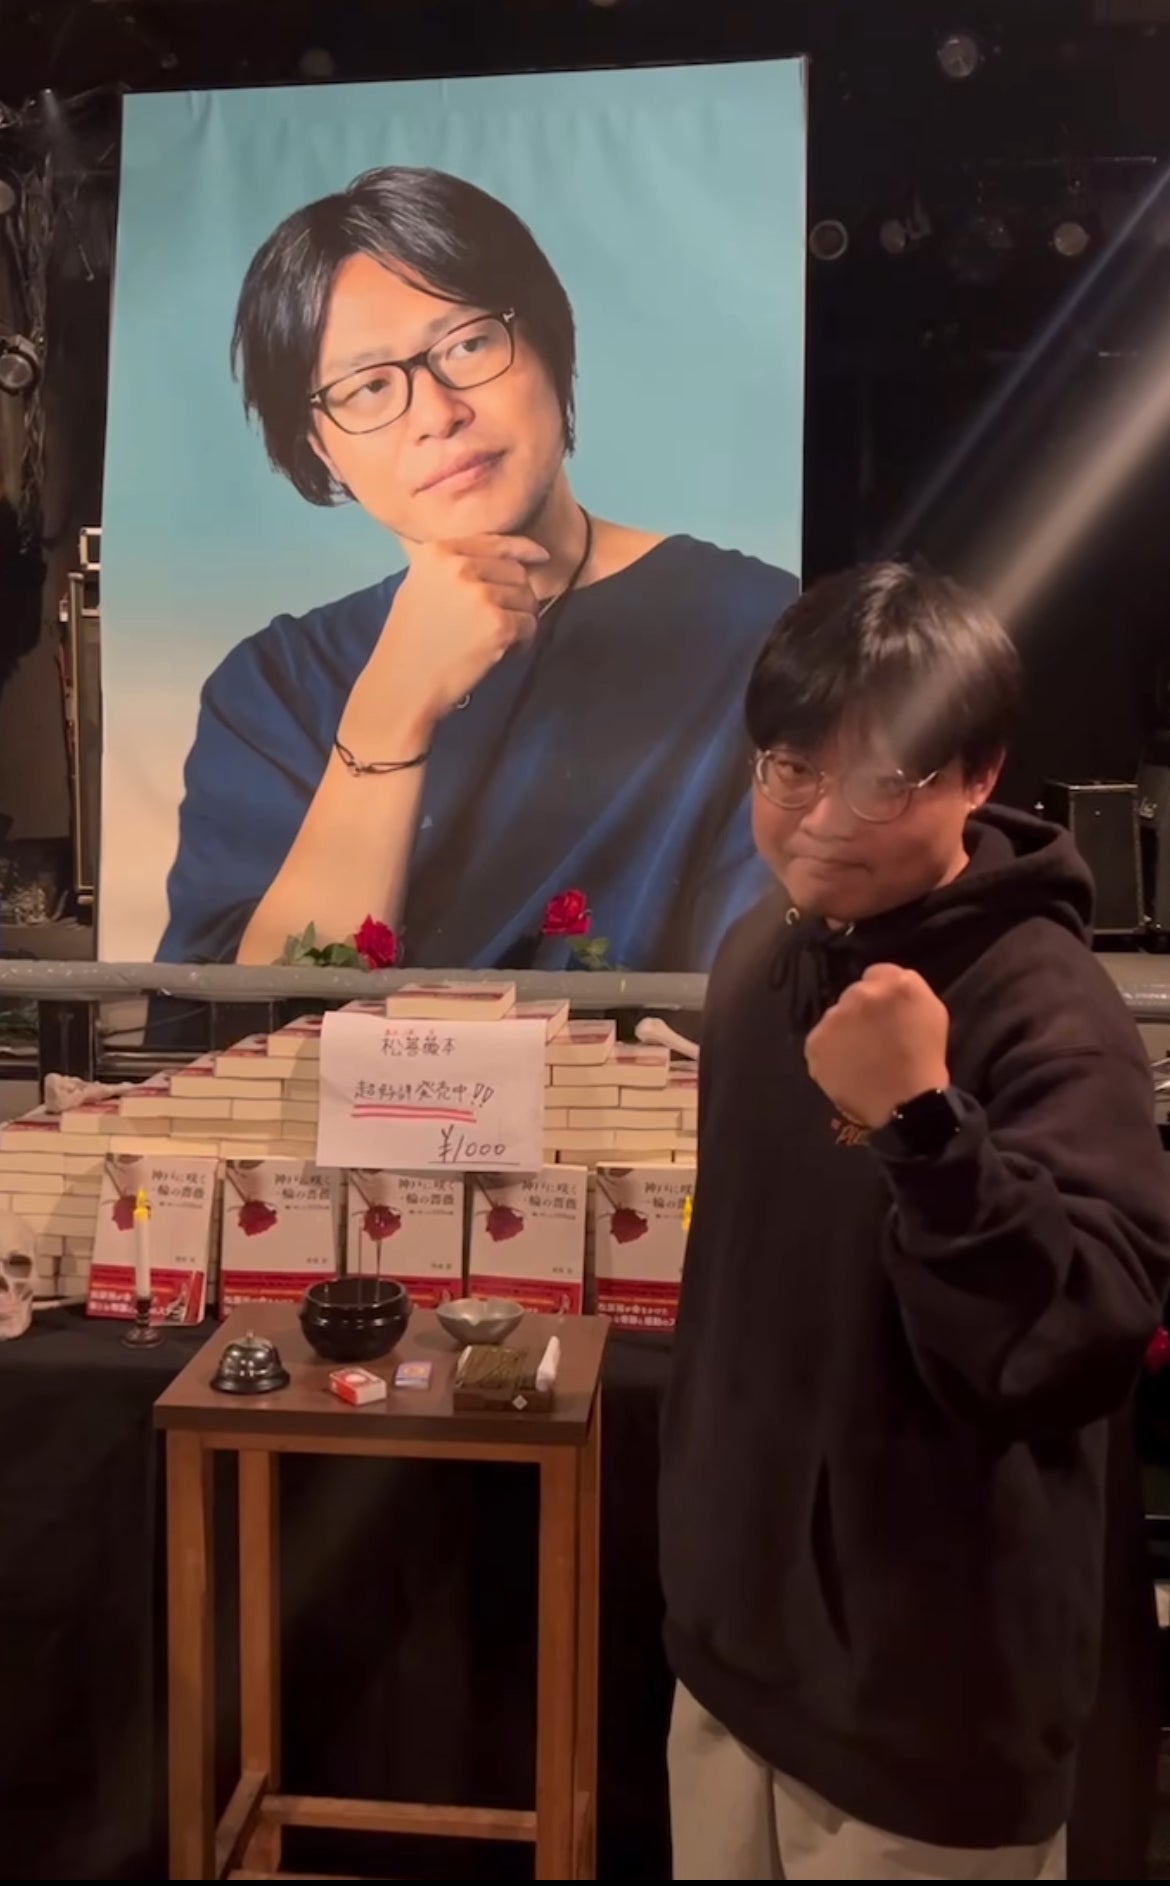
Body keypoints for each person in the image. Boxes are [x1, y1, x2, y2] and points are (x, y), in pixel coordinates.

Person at [659, 561, 1170, 1881]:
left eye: (884, 779)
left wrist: (928, 1130)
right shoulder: (756, 959)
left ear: (976, 775)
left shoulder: (1048, 1008)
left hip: (928, 1709)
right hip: (730, 1663)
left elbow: (1075, 1345)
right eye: (791, 768)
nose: (825, 818)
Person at [156, 165, 796, 971]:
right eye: (367, 387)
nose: (437, 413)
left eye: (467, 344)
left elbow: (766, 992)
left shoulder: (760, 630)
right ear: (321, 448)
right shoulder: (274, 688)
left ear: (551, 345)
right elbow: (255, 1019)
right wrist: (388, 713)